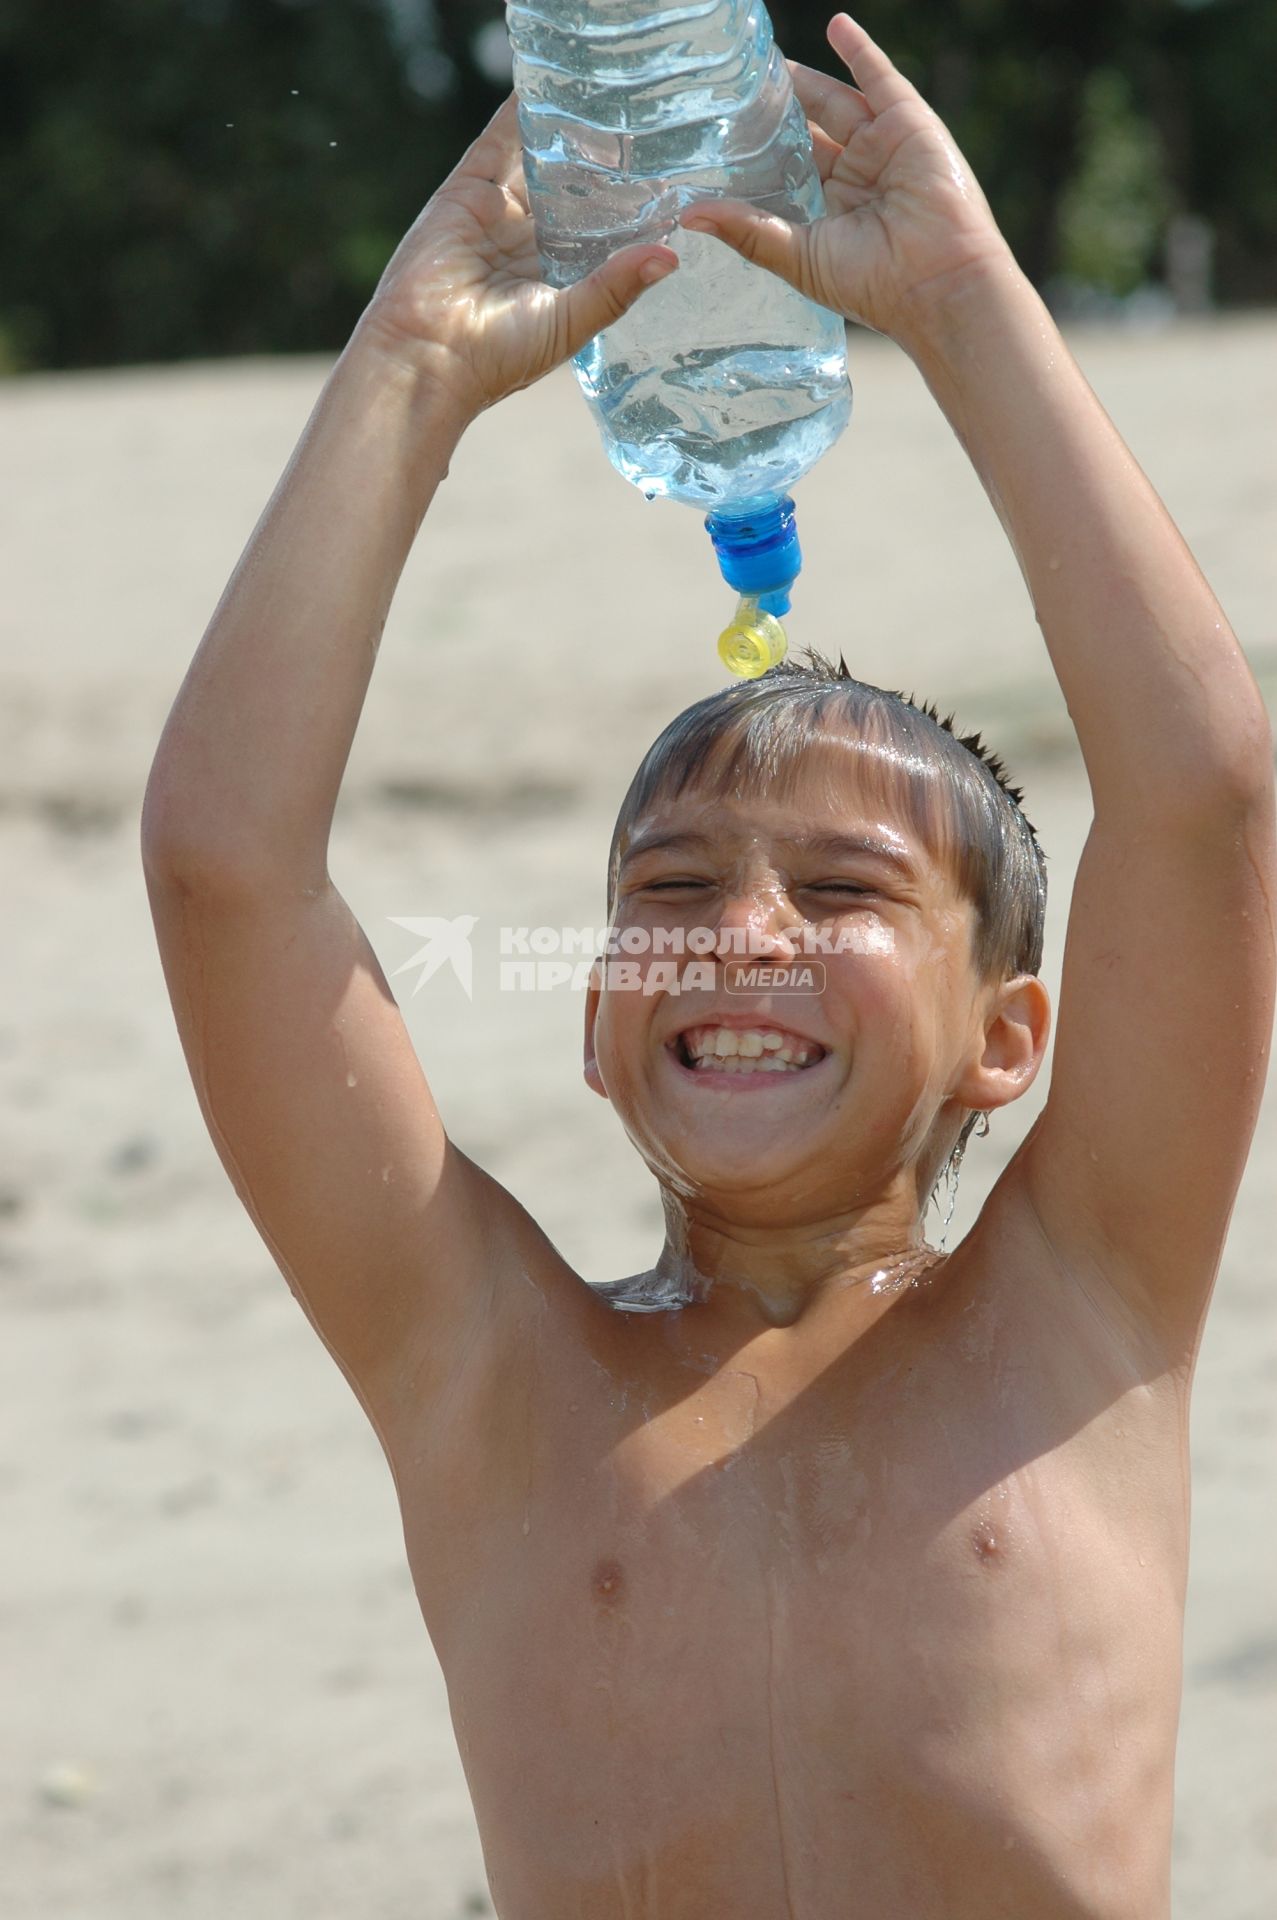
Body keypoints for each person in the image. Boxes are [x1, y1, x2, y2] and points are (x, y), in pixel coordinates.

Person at [140, 14, 1275, 1917]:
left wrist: (966, 304)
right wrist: (416, 364)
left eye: (840, 893)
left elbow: (1203, 800)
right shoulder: (489, 1373)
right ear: (597, 1024)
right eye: (669, 891)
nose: (739, 931)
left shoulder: (1081, 1312)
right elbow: (226, 872)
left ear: (1008, 1040)